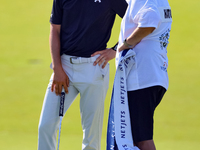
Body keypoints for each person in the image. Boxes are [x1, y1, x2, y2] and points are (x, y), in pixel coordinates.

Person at [37, 0, 128, 150]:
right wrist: (57, 69)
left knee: (91, 137)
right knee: (45, 126)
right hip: (64, 68)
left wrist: (115, 50)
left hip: (95, 67)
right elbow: (54, 29)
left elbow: (135, 21)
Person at [107, 0, 172, 150]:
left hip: (140, 77)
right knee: (136, 138)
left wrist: (126, 44)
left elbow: (151, 20)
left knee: (142, 139)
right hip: (154, 75)